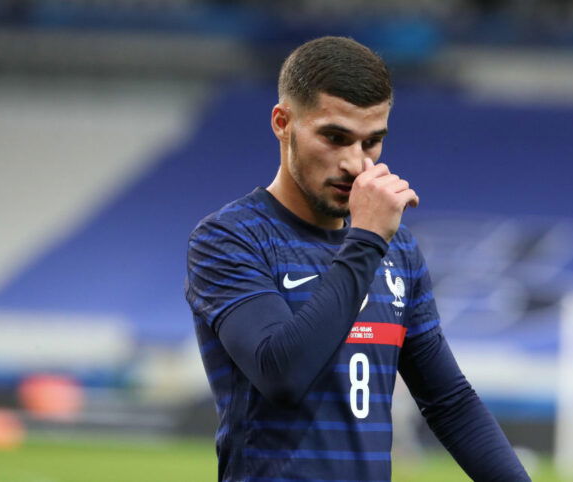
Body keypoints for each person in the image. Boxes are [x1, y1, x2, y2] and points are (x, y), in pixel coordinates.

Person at [185, 36, 530, 481]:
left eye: (372, 142)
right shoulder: (231, 237)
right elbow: (282, 374)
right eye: (334, 137)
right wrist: (366, 239)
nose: (356, 163)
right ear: (283, 122)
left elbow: (450, 401)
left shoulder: (398, 249)